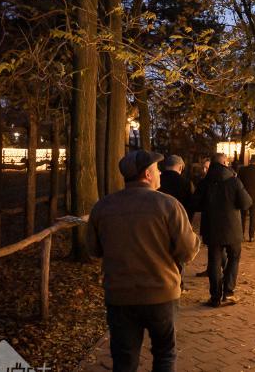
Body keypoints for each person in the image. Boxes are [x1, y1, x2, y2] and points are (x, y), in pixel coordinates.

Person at [86, 150, 200, 372]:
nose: (160, 174)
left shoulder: (103, 207)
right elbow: (187, 251)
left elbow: (93, 249)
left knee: (124, 361)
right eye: (157, 170)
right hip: (161, 294)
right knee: (164, 354)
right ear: (147, 174)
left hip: (120, 296)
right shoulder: (168, 205)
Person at [192, 153, 252, 307]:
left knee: (214, 261)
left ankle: (215, 297)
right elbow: (246, 203)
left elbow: (195, 204)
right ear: (225, 163)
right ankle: (229, 293)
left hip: (212, 228)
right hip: (232, 228)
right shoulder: (234, 181)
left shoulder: (204, 183)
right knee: (234, 258)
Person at [159, 155, 194, 292]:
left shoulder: (158, 180)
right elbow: (190, 205)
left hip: (159, 223)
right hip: (179, 223)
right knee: (179, 254)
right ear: (180, 167)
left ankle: (163, 281)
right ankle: (178, 283)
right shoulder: (185, 183)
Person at [237, 155, 255, 242]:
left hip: (244, 195)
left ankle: (241, 235)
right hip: (254, 196)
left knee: (242, 217)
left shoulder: (242, 170)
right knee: (253, 217)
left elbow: (238, 181)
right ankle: (251, 236)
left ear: (250, 160)